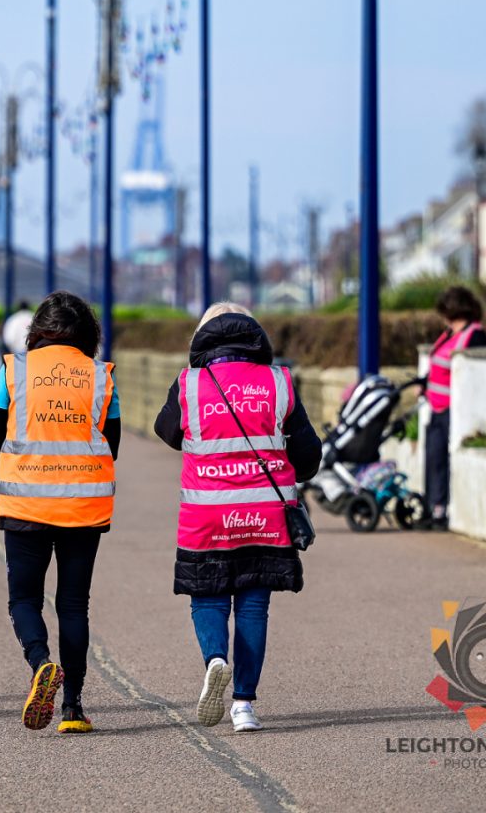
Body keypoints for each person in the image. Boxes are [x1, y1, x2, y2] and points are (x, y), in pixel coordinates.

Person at [154, 302, 320, 733]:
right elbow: (308, 455)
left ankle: (215, 659)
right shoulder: (279, 382)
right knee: (253, 607)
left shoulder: (189, 384)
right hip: (264, 515)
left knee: (207, 597)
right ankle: (244, 704)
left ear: (201, 339)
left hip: (206, 515)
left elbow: (166, 431)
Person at [0, 291, 121, 734]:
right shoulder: (102, 377)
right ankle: (73, 709)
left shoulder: (14, 370)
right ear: (88, 334)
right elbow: (113, 444)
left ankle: (40, 663)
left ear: (35, 330)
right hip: (83, 505)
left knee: (24, 599)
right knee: (73, 604)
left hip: (25, 500)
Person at [423, 286, 486, 530]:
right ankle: (432, 506)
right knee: (433, 458)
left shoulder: (475, 336)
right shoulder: (449, 334)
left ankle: (441, 511)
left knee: (442, 461)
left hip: (454, 410)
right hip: (436, 407)